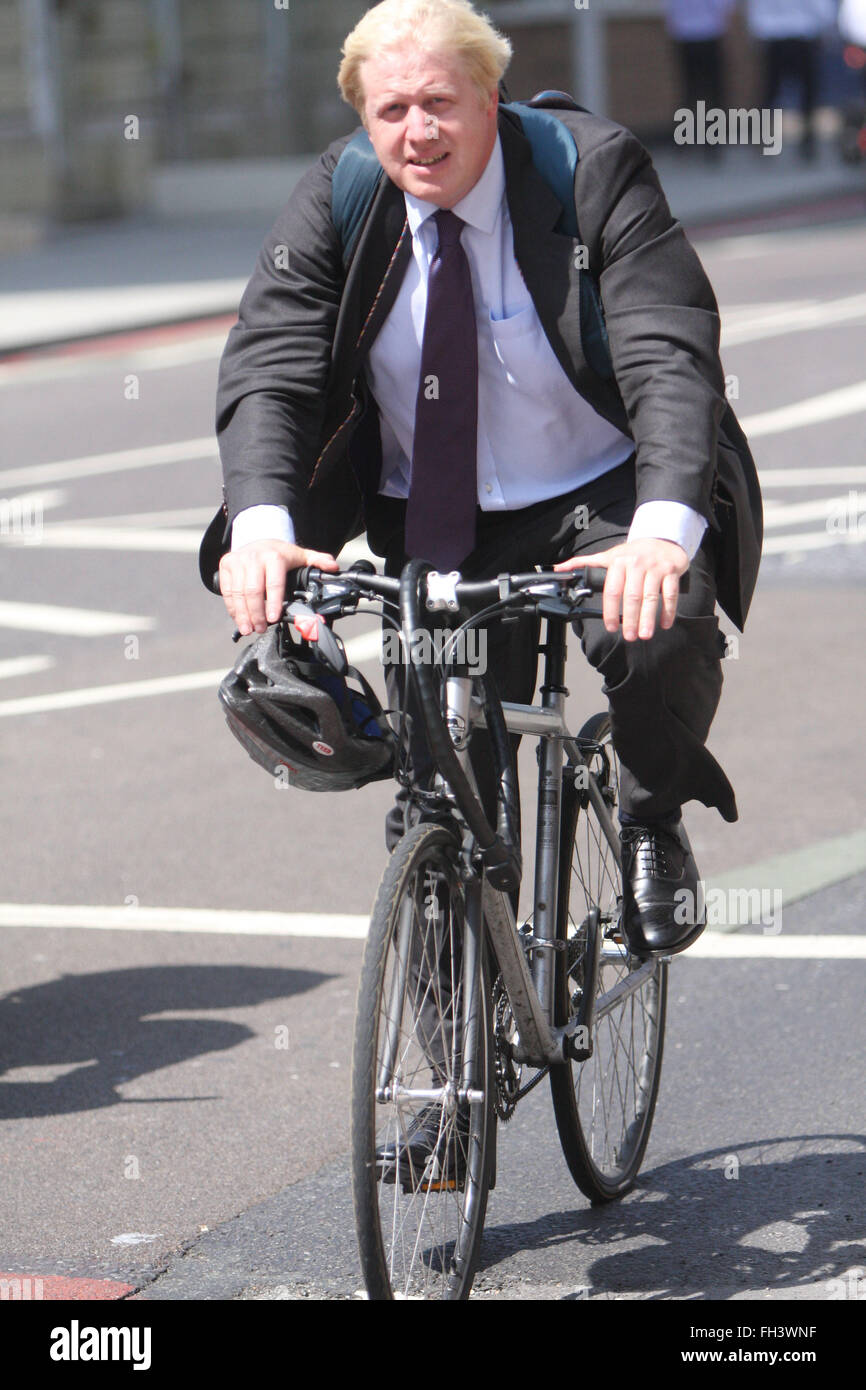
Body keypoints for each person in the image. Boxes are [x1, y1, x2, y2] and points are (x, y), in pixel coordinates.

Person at [204, 0, 762, 966]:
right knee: (439, 799)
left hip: (602, 491)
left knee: (658, 627)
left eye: (439, 103)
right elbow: (272, 364)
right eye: (390, 111)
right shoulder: (341, 195)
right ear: (360, 116)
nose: (416, 133)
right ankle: (439, 1104)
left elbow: (670, 356)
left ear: (490, 96)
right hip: (437, 509)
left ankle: (653, 808)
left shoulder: (588, 173)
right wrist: (260, 521)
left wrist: (665, 532)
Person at [746, 0, 837, 159]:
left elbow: (756, 8)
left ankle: (763, 139)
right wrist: (826, 28)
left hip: (775, 36)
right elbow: (822, 7)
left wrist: (756, 32)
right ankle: (807, 142)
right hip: (802, 35)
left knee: (771, 91)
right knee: (807, 93)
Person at [666, 0, 735, 157]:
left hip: (684, 36)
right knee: (714, 91)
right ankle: (712, 141)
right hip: (709, 34)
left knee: (690, 91)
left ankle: (682, 139)